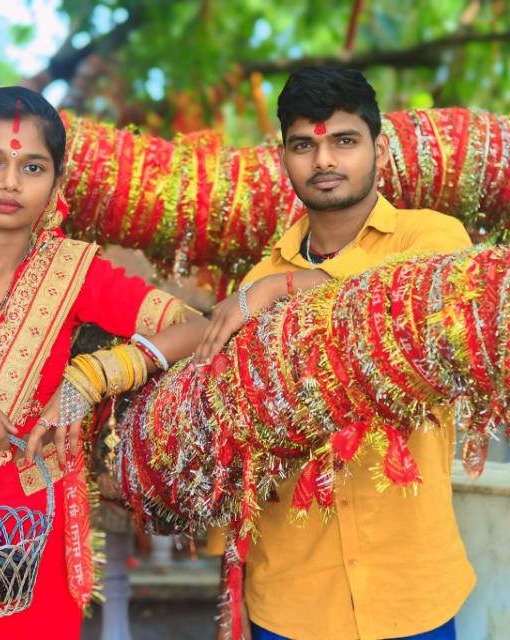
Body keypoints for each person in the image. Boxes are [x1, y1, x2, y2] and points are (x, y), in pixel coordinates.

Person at [0, 86, 207, 639]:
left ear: (55, 181)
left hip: (24, 556)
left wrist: (94, 375)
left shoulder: (72, 272)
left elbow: (194, 327)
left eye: (32, 166)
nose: (10, 182)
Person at [195, 67, 474, 640]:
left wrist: (281, 290)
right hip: (291, 600)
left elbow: (404, 304)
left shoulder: (433, 238)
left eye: (344, 141)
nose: (324, 160)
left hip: (411, 592)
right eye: (304, 145)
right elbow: (235, 427)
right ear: (285, 158)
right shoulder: (257, 281)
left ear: (379, 149)